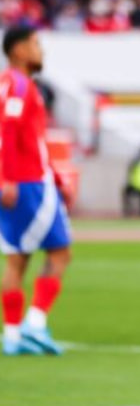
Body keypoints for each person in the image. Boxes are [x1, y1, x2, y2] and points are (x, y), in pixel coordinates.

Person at [0, 26, 72, 356]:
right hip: (28, 183)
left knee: (18, 259)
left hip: (24, 180)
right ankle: (36, 323)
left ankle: (13, 335)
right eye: (35, 44)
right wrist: (7, 178)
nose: (41, 50)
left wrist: (54, 175)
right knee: (60, 253)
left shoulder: (8, 84)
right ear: (18, 50)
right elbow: (8, 130)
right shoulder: (19, 85)